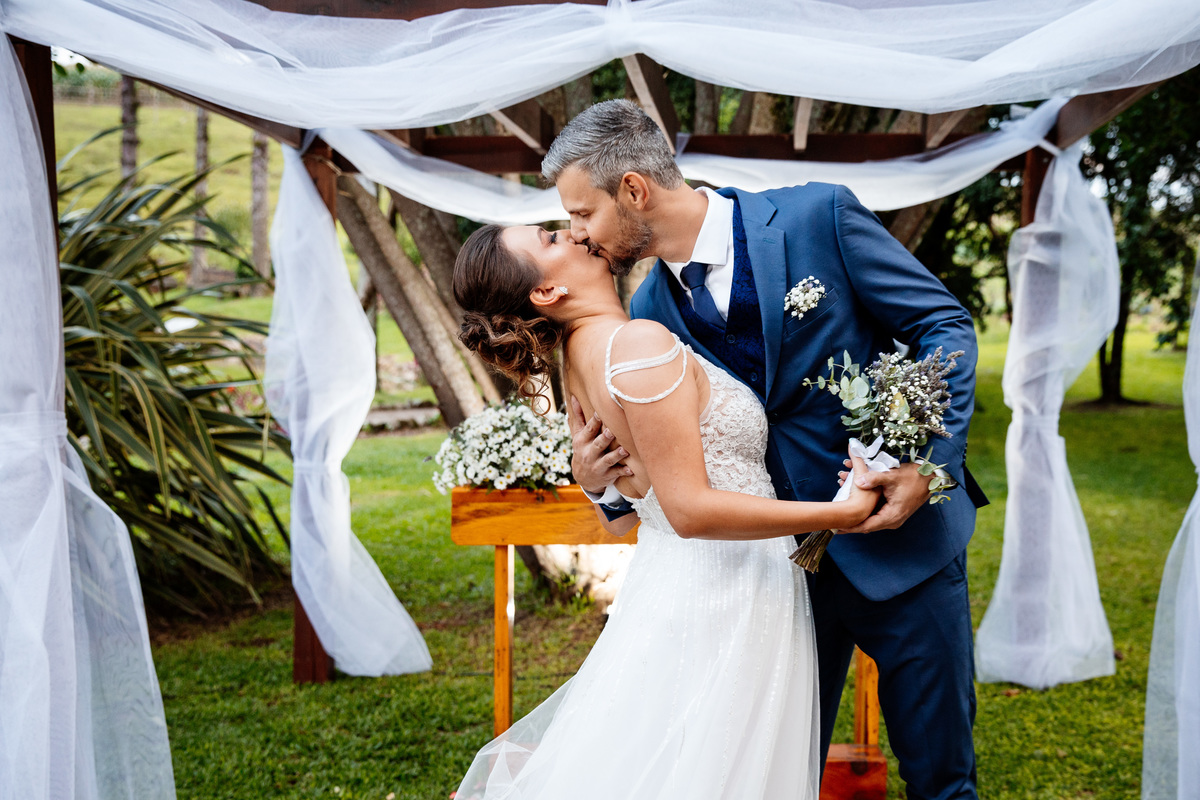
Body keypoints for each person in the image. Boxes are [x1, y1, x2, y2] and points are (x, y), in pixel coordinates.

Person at [552, 100, 987, 800]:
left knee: (941, 778)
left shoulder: (820, 215)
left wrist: (928, 465)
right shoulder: (650, 320)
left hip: (904, 547)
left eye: (582, 214)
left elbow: (943, 322)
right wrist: (598, 482)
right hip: (771, 580)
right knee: (769, 775)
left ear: (633, 189)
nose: (577, 234)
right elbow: (658, 473)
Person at [451, 219, 881, 798]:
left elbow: (634, 508)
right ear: (545, 293)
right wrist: (837, 514)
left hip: (686, 582)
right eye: (550, 239)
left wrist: (594, 486)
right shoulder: (636, 345)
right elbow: (688, 510)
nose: (571, 232)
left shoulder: (580, 358)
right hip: (722, 590)